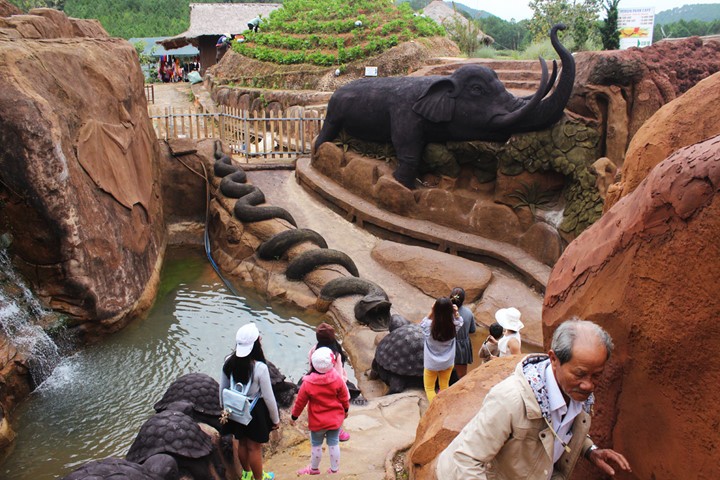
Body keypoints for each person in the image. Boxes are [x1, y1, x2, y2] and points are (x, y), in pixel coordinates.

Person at [436, 319, 632, 479]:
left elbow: (562, 429)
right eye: (580, 374)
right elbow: (467, 460)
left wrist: (590, 450)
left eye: (596, 375)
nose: (589, 385)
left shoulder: (575, 394)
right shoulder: (511, 399)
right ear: (554, 359)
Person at [219, 323, 279, 480]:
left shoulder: (228, 361)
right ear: (256, 343)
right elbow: (268, 397)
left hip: (234, 409)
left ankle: (246, 474)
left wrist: (224, 408)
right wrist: (275, 419)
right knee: (254, 448)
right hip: (254, 411)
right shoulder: (260, 368)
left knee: (242, 442)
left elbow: (223, 389)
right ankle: (259, 478)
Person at [291, 347, 350, 475]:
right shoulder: (337, 379)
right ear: (332, 363)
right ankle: (334, 469)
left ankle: (314, 469)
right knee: (334, 444)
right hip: (334, 420)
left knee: (316, 445)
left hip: (317, 422)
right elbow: (344, 396)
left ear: (312, 364)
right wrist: (345, 409)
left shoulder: (307, 383)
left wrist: (294, 417)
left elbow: (300, 402)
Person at [307, 322, 351, 441]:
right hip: (334, 385)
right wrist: (345, 399)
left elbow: (311, 368)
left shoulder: (313, 350)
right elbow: (339, 376)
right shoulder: (336, 354)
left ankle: (320, 429)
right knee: (336, 408)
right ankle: (337, 429)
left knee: (319, 407)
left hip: (316, 383)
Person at [421, 297, 464, 402]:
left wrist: (432, 311)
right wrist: (455, 312)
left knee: (430, 388)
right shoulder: (454, 326)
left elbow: (423, 323)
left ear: (435, 309)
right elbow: (459, 320)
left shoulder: (428, 327)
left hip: (431, 364)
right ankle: (443, 405)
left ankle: (435, 408)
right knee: (444, 386)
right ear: (451, 310)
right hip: (447, 363)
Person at [450, 287, 476, 378]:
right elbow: (472, 330)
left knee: (444, 373)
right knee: (462, 375)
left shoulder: (443, 312)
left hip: (446, 344)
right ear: (463, 299)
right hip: (462, 347)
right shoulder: (468, 313)